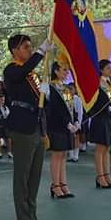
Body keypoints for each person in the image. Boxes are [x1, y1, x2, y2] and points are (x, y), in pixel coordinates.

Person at [3, 34, 55, 220]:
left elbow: (41, 102)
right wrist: (42, 52)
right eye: (26, 47)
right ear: (15, 50)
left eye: (31, 47)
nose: (30, 50)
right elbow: (23, 70)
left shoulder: (32, 76)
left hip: (37, 126)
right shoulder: (12, 70)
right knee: (22, 178)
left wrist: (46, 95)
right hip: (22, 128)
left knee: (34, 178)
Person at [46, 62, 77, 199]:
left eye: (67, 70)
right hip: (56, 125)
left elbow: (70, 107)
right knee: (57, 155)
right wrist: (66, 122)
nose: (66, 72)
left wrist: (74, 121)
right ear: (56, 71)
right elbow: (55, 108)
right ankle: (55, 185)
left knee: (63, 155)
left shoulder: (65, 88)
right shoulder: (51, 88)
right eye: (64, 70)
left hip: (67, 126)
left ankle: (63, 183)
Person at [88, 60, 111, 188]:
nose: (110, 70)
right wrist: (107, 109)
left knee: (107, 148)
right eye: (108, 68)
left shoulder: (108, 83)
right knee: (100, 148)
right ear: (101, 70)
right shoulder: (96, 83)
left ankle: (107, 174)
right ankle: (100, 176)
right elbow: (93, 103)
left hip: (108, 119)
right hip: (99, 118)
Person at [67, 83, 84, 163]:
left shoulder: (77, 99)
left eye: (71, 89)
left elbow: (80, 112)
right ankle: (71, 154)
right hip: (68, 120)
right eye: (68, 89)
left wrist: (79, 123)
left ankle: (76, 155)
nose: (69, 90)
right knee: (69, 137)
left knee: (76, 137)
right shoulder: (66, 98)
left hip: (76, 119)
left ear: (75, 90)